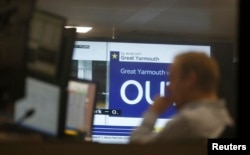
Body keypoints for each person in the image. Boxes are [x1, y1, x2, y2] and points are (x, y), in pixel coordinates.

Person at [129, 51, 234, 144]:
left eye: (172, 78)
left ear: (190, 79)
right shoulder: (225, 117)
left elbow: (137, 146)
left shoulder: (189, 121)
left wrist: (153, 112)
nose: (168, 87)